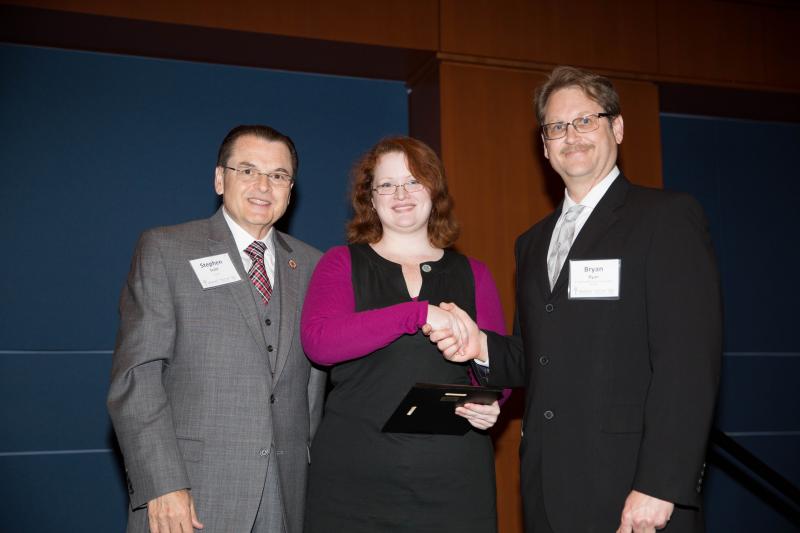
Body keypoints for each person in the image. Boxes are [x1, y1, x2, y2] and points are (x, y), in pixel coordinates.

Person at [429, 66, 722, 533]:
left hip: (634, 489)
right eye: (557, 127)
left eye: (587, 120)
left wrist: (661, 484)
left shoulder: (665, 218)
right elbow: (534, 356)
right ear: (544, 146)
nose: (572, 135)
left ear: (617, 128)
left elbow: (688, 363)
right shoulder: (531, 243)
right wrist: (478, 345)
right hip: (547, 485)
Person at [107, 125, 325, 533]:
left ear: (290, 189)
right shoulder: (166, 249)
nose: (264, 185)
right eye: (247, 170)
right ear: (220, 178)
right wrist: (163, 484)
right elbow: (137, 378)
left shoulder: (314, 267)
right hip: (189, 496)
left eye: (278, 175)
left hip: (286, 495)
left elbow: (313, 389)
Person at [300, 136, 508, 532]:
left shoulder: (474, 273)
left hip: (454, 481)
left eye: (414, 181)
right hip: (353, 481)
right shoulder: (340, 263)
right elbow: (320, 343)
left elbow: (496, 367)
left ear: (434, 190)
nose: (401, 194)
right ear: (371, 199)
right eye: (387, 185)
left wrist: (491, 402)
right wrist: (414, 314)